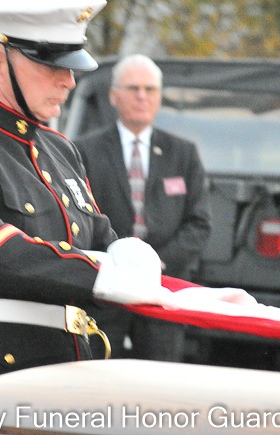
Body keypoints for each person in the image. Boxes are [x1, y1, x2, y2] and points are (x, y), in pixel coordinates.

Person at [0, 0, 172, 404]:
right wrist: (96, 273)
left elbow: (96, 235)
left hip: (65, 369)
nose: (68, 81)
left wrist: (125, 251)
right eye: (52, 67)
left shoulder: (59, 149)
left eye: (70, 68)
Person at [75, 54, 212, 362]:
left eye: (150, 89)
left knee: (157, 380)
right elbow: (77, 216)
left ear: (159, 97)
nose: (142, 96)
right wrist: (112, 263)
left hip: (163, 291)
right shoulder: (85, 151)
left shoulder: (183, 154)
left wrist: (157, 263)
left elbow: (200, 223)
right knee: (97, 376)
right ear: (114, 96)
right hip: (104, 290)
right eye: (133, 88)